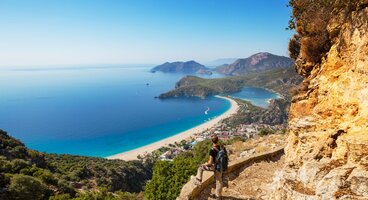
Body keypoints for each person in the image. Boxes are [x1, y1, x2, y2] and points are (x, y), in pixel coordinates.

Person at [191, 135, 223, 199]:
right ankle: (218, 196)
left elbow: (210, 162)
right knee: (219, 181)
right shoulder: (220, 147)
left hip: (214, 167)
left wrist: (205, 164)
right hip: (220, 166)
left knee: (200, 167)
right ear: (218, 140)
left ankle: (198, 180)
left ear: (212, 141)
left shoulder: (212, 150)